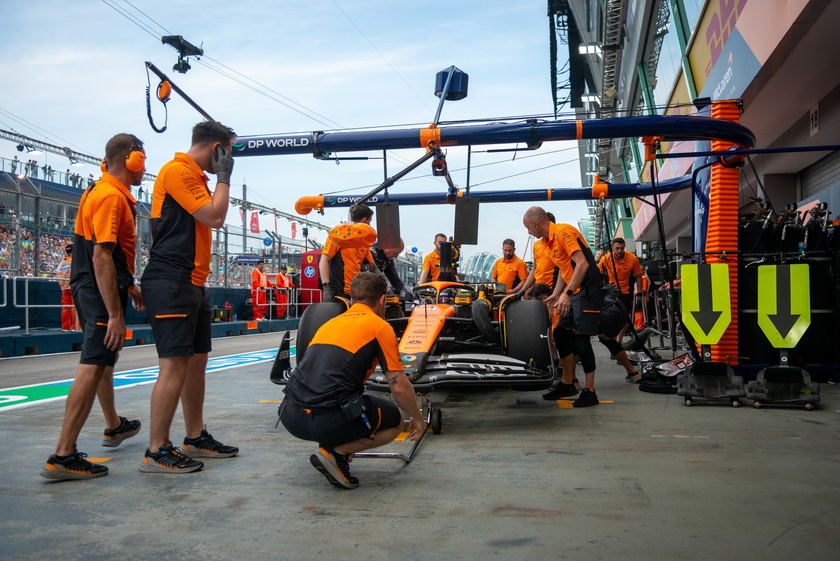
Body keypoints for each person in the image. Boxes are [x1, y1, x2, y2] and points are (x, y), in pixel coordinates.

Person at [41, 133, 146, 480]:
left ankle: (114, 425)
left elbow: (107, 255)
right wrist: (115, 314)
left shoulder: (99, 191)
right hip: (97, 288)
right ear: (131, 160)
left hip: (94, 284)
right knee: (93, 362)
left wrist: (127, 285)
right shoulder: (110, 197)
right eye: (142, 159)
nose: (144, 166)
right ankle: (63, 454)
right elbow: (101, 256)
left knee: (104, 356)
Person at [141, 121, 239, 474]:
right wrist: (225, 178)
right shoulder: (177, 172)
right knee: (174, 366)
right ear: (216, 149)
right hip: (171, 280)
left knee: (197, 362)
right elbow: (215, 216)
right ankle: (156, 449)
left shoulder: (195, 177)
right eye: (227, 152)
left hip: (192, 282)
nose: (229, 159)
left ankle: (195, 435)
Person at [279, 272, 426, 489]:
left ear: (351, 299)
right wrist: (418, 418)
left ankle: (331, 447)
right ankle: (337, 453)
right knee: (395, 420)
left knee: (340, 398)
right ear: (382, 300)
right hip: (326, 421)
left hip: (290, 416)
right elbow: (399, 386)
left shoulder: (328, 325)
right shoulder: (379, 326)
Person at [522, 206, 603, 407]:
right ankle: (567, 383)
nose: (528, 232)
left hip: (588, 290)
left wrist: (567, 293)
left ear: (536, 223)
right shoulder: (548, 242)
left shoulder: (563, 232)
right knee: (560, 333)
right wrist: (557, 294)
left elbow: (582, 264)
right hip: (574, 292)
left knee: (581, 339)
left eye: (528, 228)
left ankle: (590, 391)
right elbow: (563, 269)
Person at [319, 204, 378, 302]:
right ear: (364, 220)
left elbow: (372, 268)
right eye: (369, 221)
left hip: (357, 292)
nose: (370, 225)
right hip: (339, 292)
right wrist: (327, 289)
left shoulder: (364, 242)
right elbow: (324, 261)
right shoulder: (338, 235)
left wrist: (386, 288)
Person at [598, 238, 646, 342]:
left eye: (622, 248)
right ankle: (612, 339)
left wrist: (639, 293)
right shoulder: (605, 259)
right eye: (617, 248)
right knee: (611, 317)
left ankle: (618, 342)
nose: (620, 251)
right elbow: (598, 276)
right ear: (612, 248)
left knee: (624, 318)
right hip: (610, 293)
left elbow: (638, 276)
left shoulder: (632, 258)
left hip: (625, 293)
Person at [55, 244, 77, 331]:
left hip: (64, 288)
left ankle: (65, 327)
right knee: (75, 306)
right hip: (74, 286)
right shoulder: (76, 261)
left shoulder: (62, 263)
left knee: (65, 307)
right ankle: (75, 327)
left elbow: (58, 274)